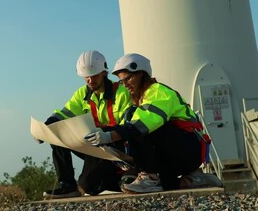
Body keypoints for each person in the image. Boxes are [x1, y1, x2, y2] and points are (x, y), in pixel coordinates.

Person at [84, 53, 223, 193]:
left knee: (138, 128)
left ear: (142, 74)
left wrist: (109, 136)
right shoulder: (142, 99)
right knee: (158, 184)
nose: (125, 85)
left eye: (129, 78)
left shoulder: (158, 92)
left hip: (190, 148)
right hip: (175, 150)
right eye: (121, 81)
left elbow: (142, 125)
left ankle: (150, 177)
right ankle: (195, 180)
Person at [42, 50, 133, 199]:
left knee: (87, 185)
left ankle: (117, 179)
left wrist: (105, 133)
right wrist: (47, 126)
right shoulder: (81, 94)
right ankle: (67, 185)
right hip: (94, 146)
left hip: (116, 147)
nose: (90, 80)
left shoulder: (122, 93)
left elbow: (127, 128)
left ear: (104, 72)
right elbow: (65, 113)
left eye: (94, 75)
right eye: (87, 77)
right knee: (56, 134)